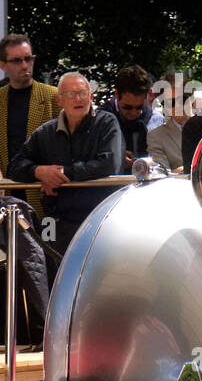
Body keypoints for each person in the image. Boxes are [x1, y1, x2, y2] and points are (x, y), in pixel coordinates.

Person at [5, 72, 124, 257]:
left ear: (91, 97)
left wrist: (61, 174)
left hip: (99, 220)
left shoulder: (107, 123)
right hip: (57, 222)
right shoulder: (45, 133)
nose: (78, 99)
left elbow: (109, 164)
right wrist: (38, 172)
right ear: (59, 100)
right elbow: (13, 167)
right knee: (54, 273)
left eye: (83, 93)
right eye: (71, 94)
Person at [0, 34, 59, 214]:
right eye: (17, 61)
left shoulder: (53, 96)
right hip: (7, 192)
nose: (25, 65)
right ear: (3, 65)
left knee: (46, 241)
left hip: (45, 193)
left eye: (28, 58)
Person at [101, 65, 152, 172]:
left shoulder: (154, 119)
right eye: (127, 107)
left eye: (139, 107)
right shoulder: (100, 120)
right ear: (116, 95)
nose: (133, 113)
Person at [146, 72, 189, 172]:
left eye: (182, 99)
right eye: (171, 102)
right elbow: (161, 173)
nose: (178, 105)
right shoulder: (156, 136)